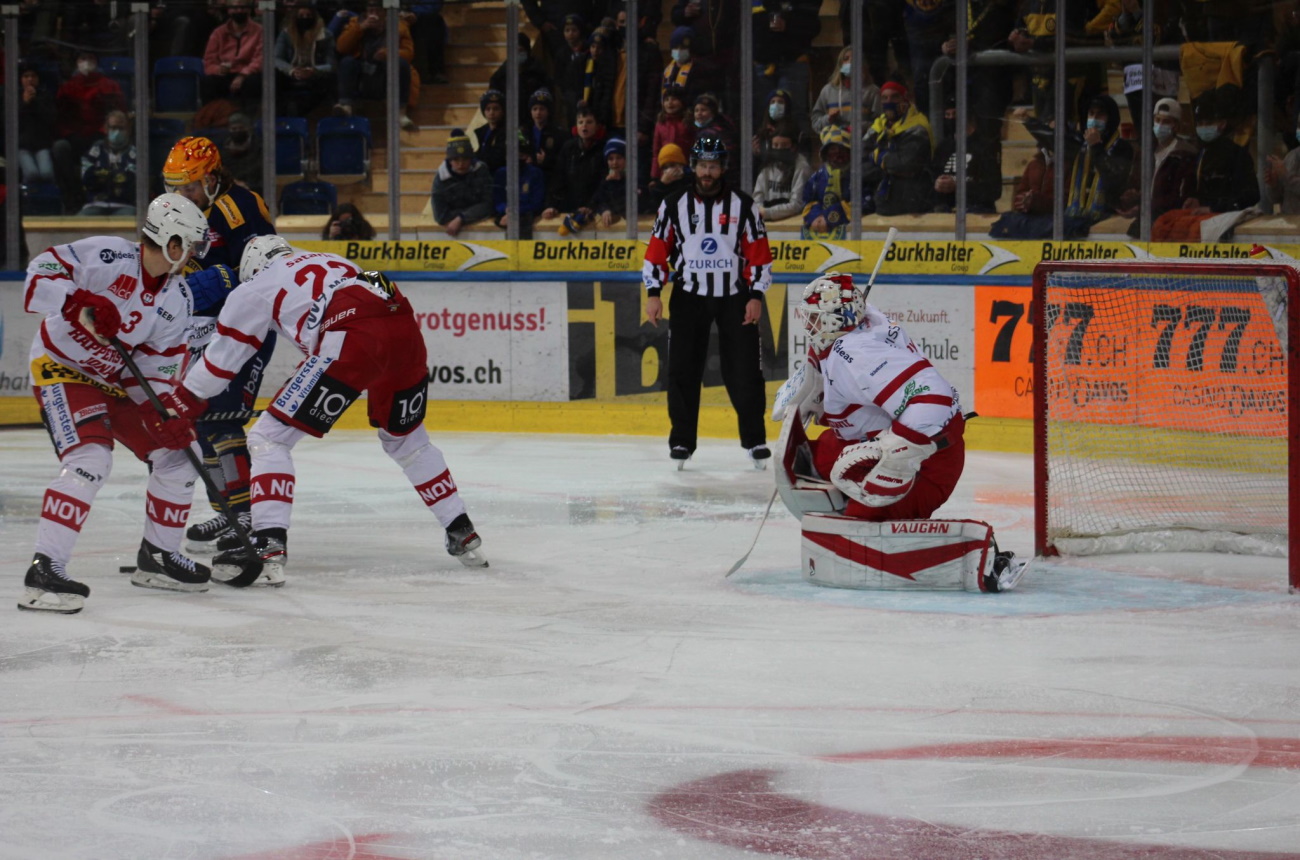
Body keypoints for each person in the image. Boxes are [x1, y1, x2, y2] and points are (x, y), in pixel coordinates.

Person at [158, 237, 488, 585]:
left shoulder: (256, 285)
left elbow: (222, 361)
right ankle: (461, 530)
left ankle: (268, 542)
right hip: (405, 329)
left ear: (254, 266)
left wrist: (183, 400)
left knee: (269, 438)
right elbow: (383, 287)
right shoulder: (338, 261)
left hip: (350, 335)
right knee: (408, 441)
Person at [18, 193, 215, 614]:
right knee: (91, 456)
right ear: (173, 242)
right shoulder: (107, 255)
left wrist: (166, 414)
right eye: (192, 246)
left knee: (180, 454)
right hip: (62, 367)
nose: (194, 255)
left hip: (112, 380)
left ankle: (158, 557)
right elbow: (40, 272)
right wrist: (77, 303)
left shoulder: (177, 299)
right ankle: (44, 570)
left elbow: (155, 370)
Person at [776, 270, 1024, 593]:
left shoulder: (857, 356)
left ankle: (980, 556)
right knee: (823, 453)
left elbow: (938, 401)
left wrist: (897, 452)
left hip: (929, 462)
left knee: (856, 527)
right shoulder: (860, 322)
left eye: (815, 320)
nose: (810, 327)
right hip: (892, 439)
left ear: (836, 321)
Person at [161, 136, 277, 554]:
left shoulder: (239, 206)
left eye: (189, 185)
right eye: (175, 186)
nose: (182, 194)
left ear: (211, 176)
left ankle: (243, 515)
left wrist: (208, 283)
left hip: (245, 326)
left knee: (221, 418)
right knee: (201, 419)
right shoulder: (188, 208)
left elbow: (261, 270)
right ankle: (227, 509)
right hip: (205, 326)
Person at [642, 134, 773, 469]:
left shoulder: (744, 206)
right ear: (694, 167)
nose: (707, 172)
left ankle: (755, 440)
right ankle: (682, 442)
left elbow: (758, 255)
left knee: (744, 371)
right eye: (702, 165)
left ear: (722, 168)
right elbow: (658, 250)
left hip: (735, 298)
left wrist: (756, 295)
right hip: (689, 297)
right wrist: (653, 293)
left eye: (713, 166)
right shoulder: (673, 205)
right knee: (683, 370)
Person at [334, 0, 417, 130]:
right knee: (347, 62)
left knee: (401, 64)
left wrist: (389, 53)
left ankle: (400, 113)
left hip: (385, 73)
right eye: (371, 11)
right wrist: (360, 28)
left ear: (385, 13)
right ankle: (346, 105)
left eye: (378, 11)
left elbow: (409, 53)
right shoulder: (355, 23)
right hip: (362, 72)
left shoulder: (399, 25)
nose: (374, 14)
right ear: (366, 12)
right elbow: (341, 47)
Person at [862, 80, 936, 216]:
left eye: (895, 96)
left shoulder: (918, 127)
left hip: (914, 206)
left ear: (905, 99)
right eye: (885, 98)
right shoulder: (877, 126)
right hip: (882, 204)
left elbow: (906, 164)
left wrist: (878, 159)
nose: (889, 101)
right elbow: (859, 164)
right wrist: (888, 168)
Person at [751, 0, 819, 130]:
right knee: (762, 113)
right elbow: (743, 27)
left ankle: (800, 148)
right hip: (762, 63)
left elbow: (814, 26)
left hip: (793, 61)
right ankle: (762, 147)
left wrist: (788, 24)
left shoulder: (801, 5)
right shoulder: (754, 4)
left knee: (795, 112)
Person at [930, 101, 1002, 214]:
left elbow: (994, 190)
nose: (951, 119)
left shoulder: (985, 145)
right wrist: (937, 184)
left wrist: (958, 186)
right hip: (946, 211)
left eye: (955, 114)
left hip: (978, 211)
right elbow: (932, 179)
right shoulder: (943, 147)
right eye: (947, 115)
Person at [541, 103, 608, 224]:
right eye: (580, 122)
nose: (584, 126)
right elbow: (558, 179)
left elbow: (603, 183)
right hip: (570, 209)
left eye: (589, 122)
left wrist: (591, 206)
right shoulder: (568, 148)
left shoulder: (604, 149)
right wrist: (551, 205)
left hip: (596, 212)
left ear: (597, 126)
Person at [274, 0, 337, 118]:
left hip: (314, 74)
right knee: (273, 76)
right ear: (295, 17)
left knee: (329, 80)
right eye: (301, 16)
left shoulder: (326, 35)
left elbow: (331, 64)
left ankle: (299, 112)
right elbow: (276, 59)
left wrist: (314, 70)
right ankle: (279, 118)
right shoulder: (286, 34)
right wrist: (291, 71)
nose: (305, 18)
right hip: (291, 73)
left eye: (308, 16)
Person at [201, 0, 264, 108]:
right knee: (208, 82)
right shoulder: (218, 33)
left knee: (254, 82)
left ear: (249, 9)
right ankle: (213, 118)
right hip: (225, 74)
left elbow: (260, 59)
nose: (239, 11)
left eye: (243, 7)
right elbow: (209, 61)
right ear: (229, 10)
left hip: (248, 74)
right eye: (235, 8)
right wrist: (218, 69)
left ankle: (249, 119)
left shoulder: (259, 31)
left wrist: (243, 74)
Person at [432, 130, 495, 237]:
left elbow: (489, 204)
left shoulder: (481, 170)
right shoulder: (441, 178)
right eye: (456, 160)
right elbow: (441, 216)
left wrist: (461, 218)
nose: (461, 164)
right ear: (449, 160)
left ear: (471, 159)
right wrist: (473, 212)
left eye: (465, 159)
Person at [810, 46, 880, 138]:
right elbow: (815, 124)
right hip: (835, 145)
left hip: (863, 144)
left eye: (855, 59)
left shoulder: (872, 91)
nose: (850, 62)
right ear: (840, 65)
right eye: (846, 59)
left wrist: (861, 127)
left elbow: (881, 123)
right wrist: (829, 118)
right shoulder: (828, 91)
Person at [77, 111, 138, 216]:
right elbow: (87, 179)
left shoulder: (135, 153)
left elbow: (131, 183)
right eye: (113, 128)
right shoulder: (95, 151)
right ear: (106, 128)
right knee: (80, 221)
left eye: (121, 128)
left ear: (128, 130)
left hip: (125, 205)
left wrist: (102, 174)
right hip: (95, 204)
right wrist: (116, 176)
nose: (117, 132)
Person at [753, 121, 812, 222]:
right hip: (767, 221)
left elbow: (797, 204)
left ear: (793, 147)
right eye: (775, 145)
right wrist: (760, 211)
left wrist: (768, 213)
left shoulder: (802, 167)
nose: (779, 149)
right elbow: (757, 198)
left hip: (793, 221)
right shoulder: (767, 166)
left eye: (784, 145)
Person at [493, 130, 547, 237]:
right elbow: (497, 200)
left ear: (527, 157)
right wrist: (506, 209)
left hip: (526, 214)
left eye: (521, 155)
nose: (517, 159)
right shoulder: (501, 173)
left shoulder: (535, 173)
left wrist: (515, 211)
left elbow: (537, 203)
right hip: (505, 213)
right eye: (513, 156)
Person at [17, 62, 58, 187]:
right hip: (21, 146)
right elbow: (10, 121)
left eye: (33, 76)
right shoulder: (13, 97)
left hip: (42, 144)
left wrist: (35, 102)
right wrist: (24, 103)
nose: (30, 79)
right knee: (31, 174)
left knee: (47, 174)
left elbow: (50, 119)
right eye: (26, 76)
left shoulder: (46, 97)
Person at [650, 83, 693, 182]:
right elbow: (656, 152)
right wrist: (655, 177)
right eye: (666, 100)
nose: (670, 103)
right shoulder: (660, 123)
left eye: (674, 99)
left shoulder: (688, 122)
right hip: (665, 172)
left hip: (686, 171)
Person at [219, 112, 264, 195]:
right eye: (234, 129)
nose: (237, 131)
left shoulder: (258, 148)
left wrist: (247, 185)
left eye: (240, 128)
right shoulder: (223, 151)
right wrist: (233, 182)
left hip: (254, 189)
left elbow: (259, 171)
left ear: (248, 128)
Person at [645, 142, 691, 212]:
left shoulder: (691, 180)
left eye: (672, 165)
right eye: (665, 167)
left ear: (681, 165)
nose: (670, 170)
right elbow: (654, 207)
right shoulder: (659, 186)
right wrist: (663, 184)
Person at [474, 89, 509, 175]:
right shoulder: (482, 131)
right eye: (488, 109)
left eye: (496, 109)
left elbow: (497, 157)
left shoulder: (508, 131)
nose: (491, 112)